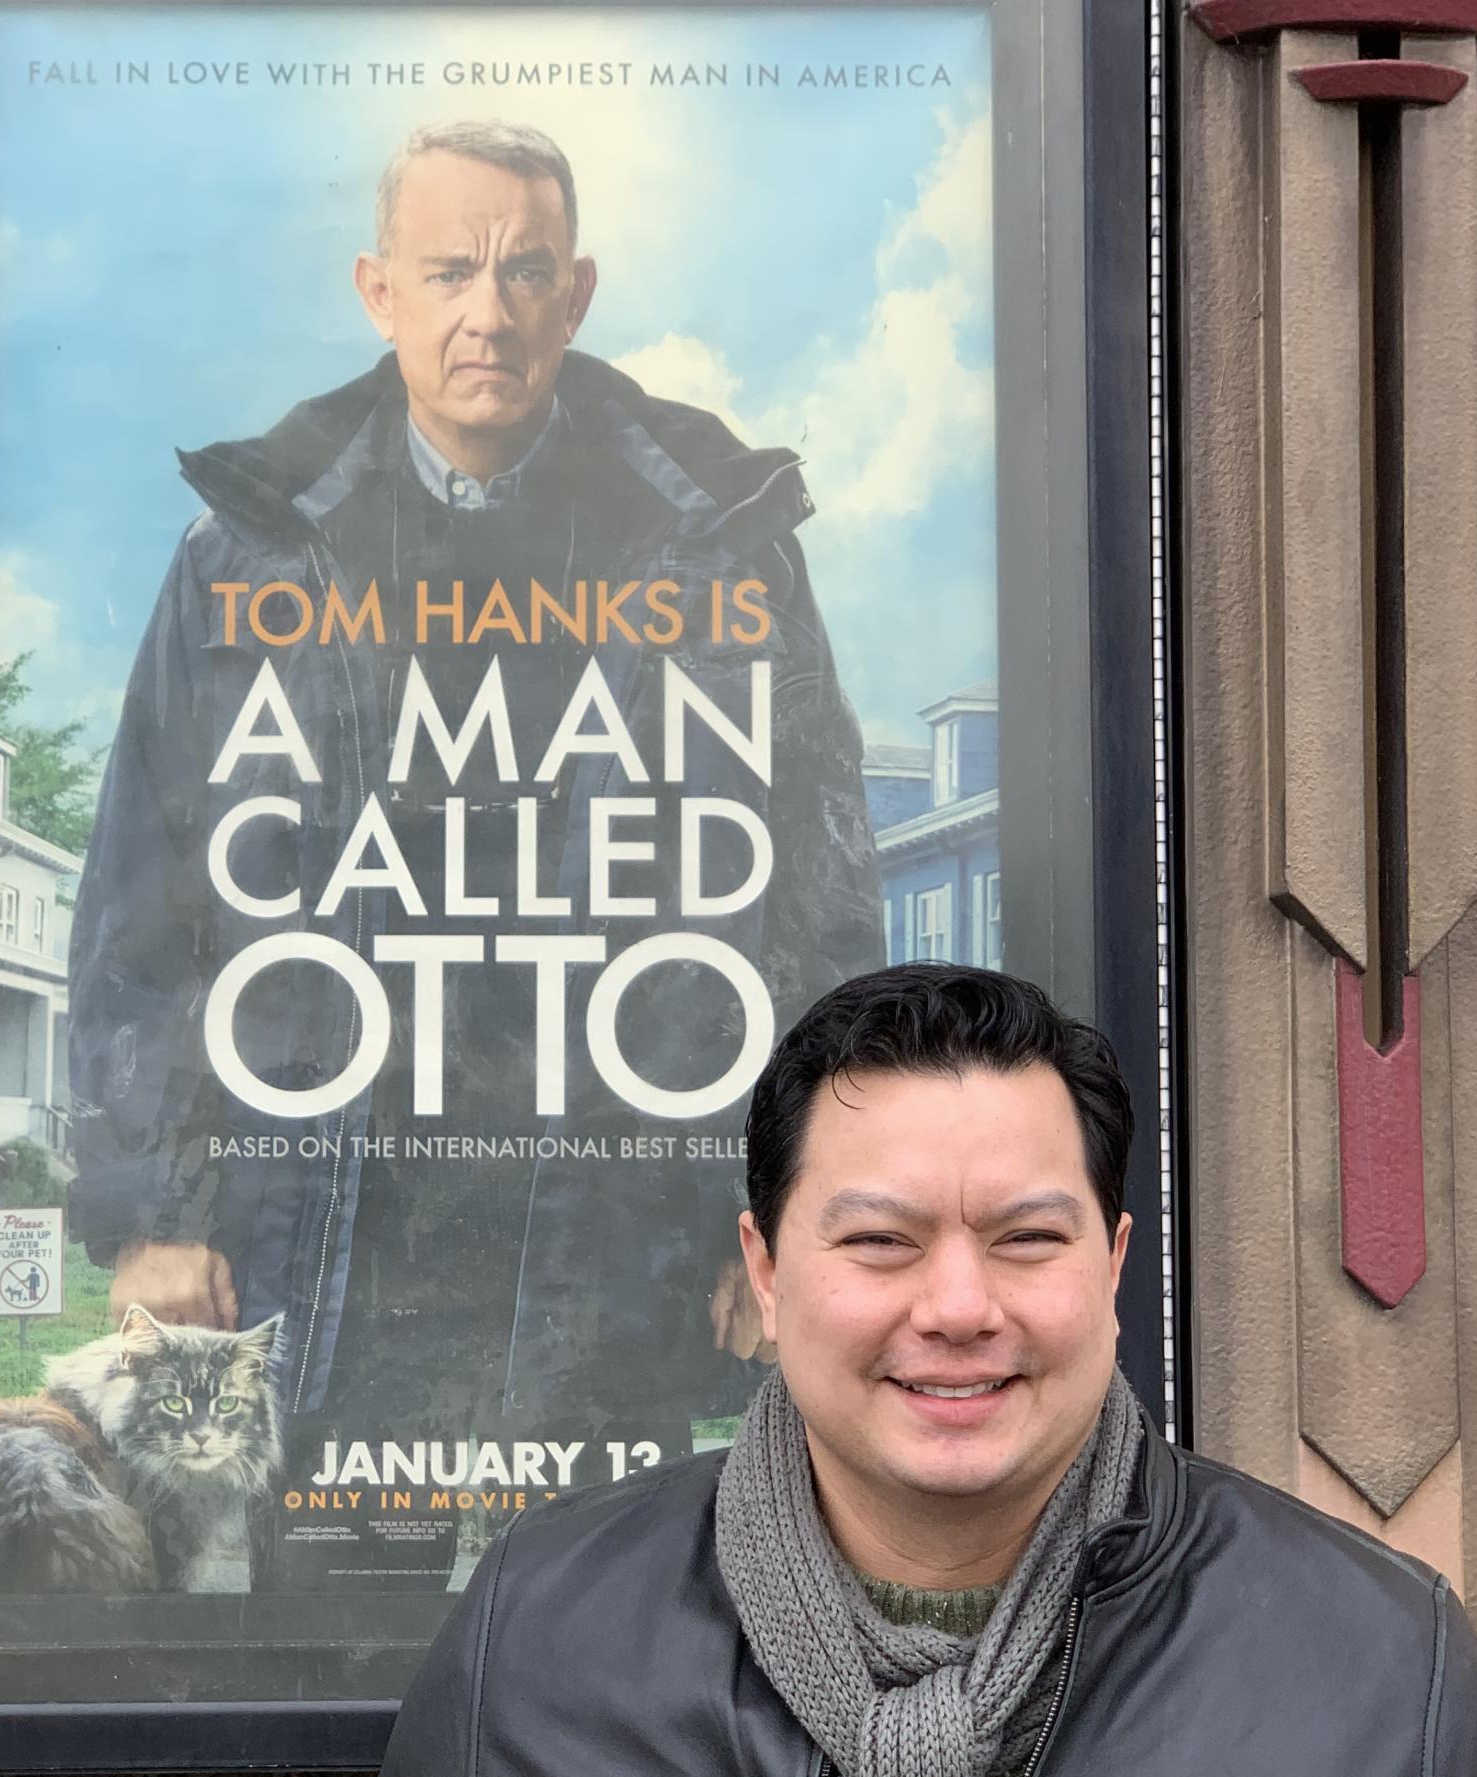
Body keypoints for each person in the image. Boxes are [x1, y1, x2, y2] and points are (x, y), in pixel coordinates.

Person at [308, 963, 1477, 1777]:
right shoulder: (540, 1636)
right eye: (881, 1243)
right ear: (764, 1272)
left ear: (1111, 1262)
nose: (960, 1308)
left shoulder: (1382, 1666)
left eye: (1028, 1241)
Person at [65, 118, 880, 1578]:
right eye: (449, 271)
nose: (485, 312)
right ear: (379, 291)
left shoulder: (723, 545)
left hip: (612, 1240)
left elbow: (815, 916)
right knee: (330, 1665)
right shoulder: (245, 553)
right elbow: (142, 907)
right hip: (327, 1243)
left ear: (578, 294)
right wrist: (147, 1211)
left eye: (524, 272)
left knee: (612, 1672)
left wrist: (788, 1211)